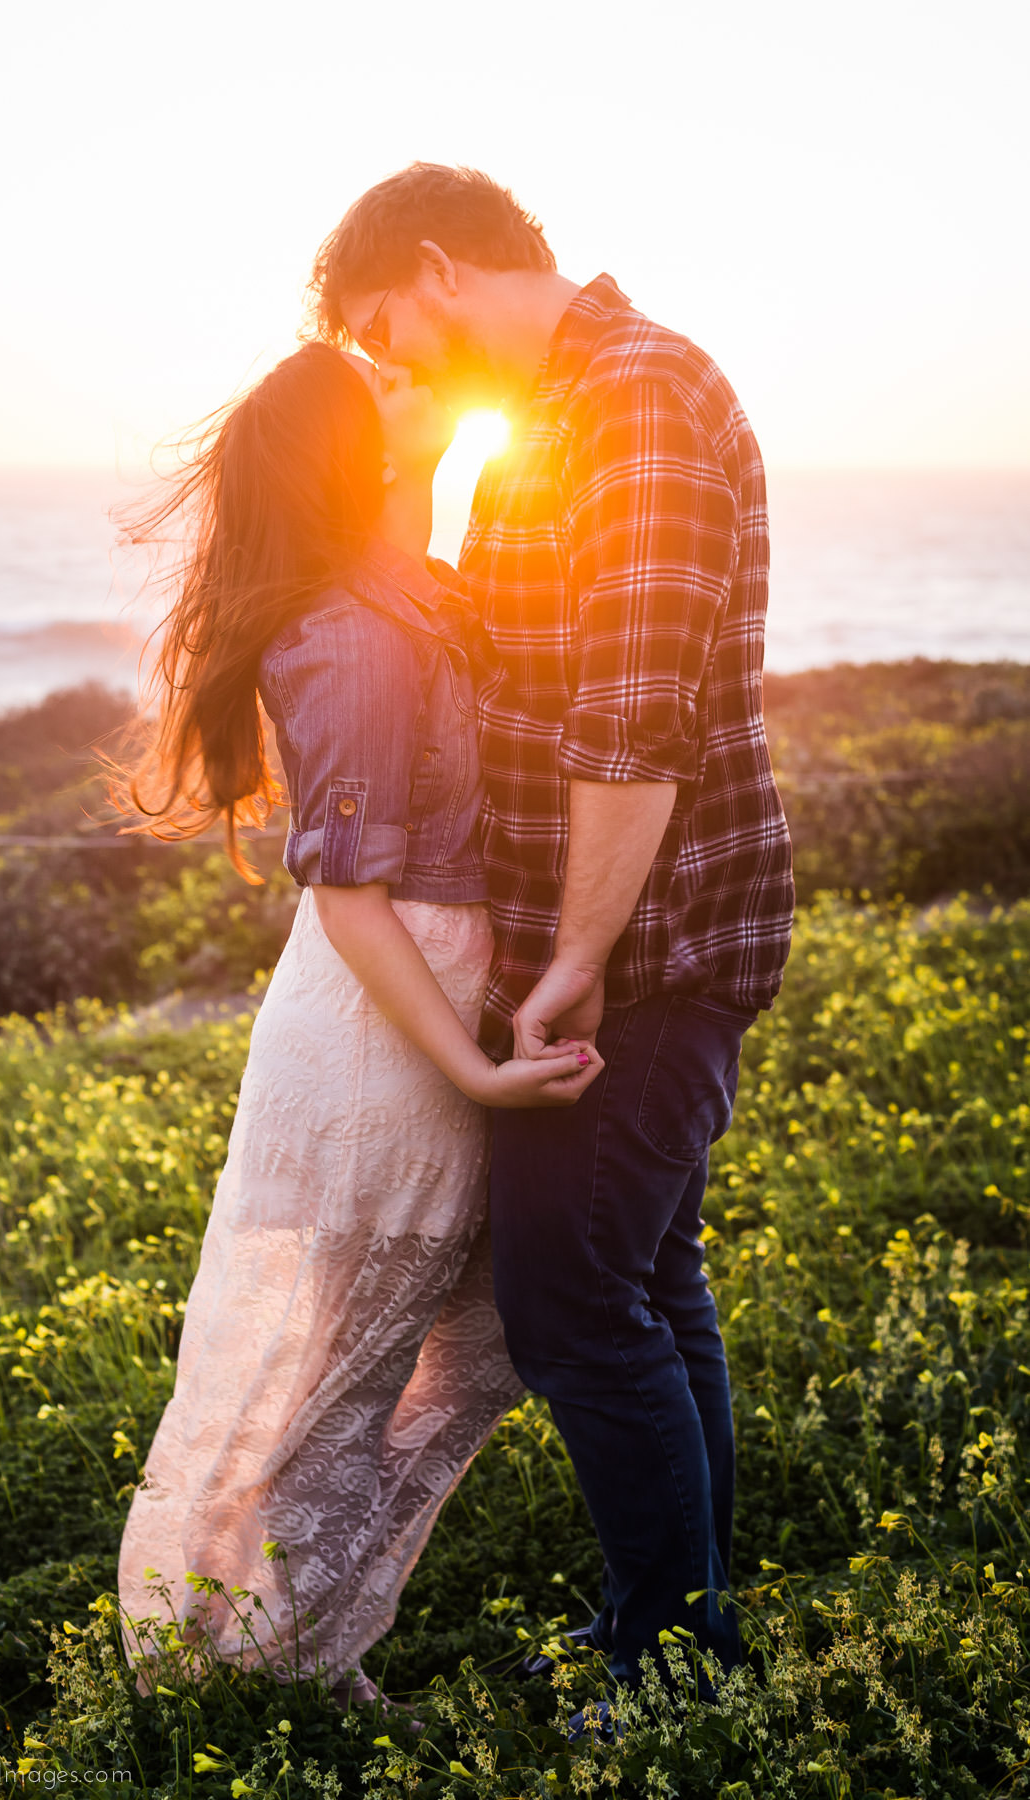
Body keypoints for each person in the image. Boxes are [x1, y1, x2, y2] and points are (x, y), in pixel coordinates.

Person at [309, 163, 796, 1718]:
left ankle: (672, 1669)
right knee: (648, 1277)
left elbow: (633, 725)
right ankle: (680, 1629)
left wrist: (576, 957)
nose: (395, 371)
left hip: (649, 948)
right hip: (621, 939)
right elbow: (506, 653)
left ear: (442, 272)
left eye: (390, 336)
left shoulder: (637, 403)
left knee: (573, 1297)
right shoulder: (554, 423)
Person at [112, 340, 603, 1710]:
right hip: (383, 1034)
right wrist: (473, 1069)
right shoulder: (345, 628)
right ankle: (272, 1672)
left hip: (432, 1010)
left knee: (435, 1343)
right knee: (343, 1363)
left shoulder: (416, 594)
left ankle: (289, 1649)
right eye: (380, 380)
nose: (413, 376)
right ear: (360, 451)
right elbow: (350, 895)